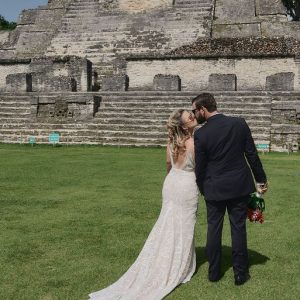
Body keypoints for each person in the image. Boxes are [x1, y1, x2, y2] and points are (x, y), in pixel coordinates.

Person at [88, 109, 199, 300]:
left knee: (167, 223)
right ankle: (180, 266)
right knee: (184, 225)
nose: (194, 118)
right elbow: (200, 167)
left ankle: (168, 259)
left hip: (172, 182)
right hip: (187, 184)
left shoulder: (171, 143)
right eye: (190, 117)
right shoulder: (193, 143)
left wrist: (172, 180)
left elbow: (168, 166)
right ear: (183, 125)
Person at [192, 93, 268, 285]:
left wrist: (202, 187)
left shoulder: (201, 133)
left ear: (203, 109)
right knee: (238, 229)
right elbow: (252, 155)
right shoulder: (239, 123)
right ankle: (240, 273)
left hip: (214, 187)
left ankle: (214, 272)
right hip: (239, 186)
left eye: (195, 110)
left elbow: (200, 167)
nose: (194, 114)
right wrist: (261, 180)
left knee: (214, 230)